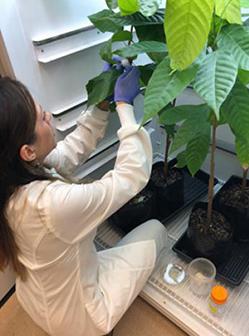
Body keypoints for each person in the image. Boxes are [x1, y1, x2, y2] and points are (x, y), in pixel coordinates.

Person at [0, 64, 167, 336]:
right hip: (79, 320)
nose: (51, 117)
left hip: (35, 300)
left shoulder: (11, 177)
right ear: (27, 151)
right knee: (157, 230)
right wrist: (125, 106)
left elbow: (67, 154)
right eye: (43, 118)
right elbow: (130, 178)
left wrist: (101, 104)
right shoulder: (51, 205)